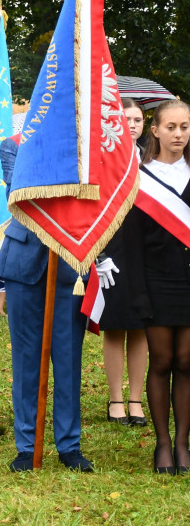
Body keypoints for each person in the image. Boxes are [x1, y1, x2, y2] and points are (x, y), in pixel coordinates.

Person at [0, 135, 93, 472]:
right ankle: (27, 444)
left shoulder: (85, 146)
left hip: (70, 262)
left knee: (67, 360)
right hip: (24, 260)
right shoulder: (13, 145)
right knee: (26, 361)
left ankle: (69, 445)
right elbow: (19, 194)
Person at [125, 99, 190, 473]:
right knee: (162, 361)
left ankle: (183, 444)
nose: (178, 134)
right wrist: (138, 293)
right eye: (171, 127)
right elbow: (132, 244)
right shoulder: (140, 177)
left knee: (186, 362)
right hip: (156, 282)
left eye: (184, 127)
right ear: (155, 130)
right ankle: (162, 444)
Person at [98, 99, 148, 427]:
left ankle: (136, 399)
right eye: (125, 118)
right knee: (115, 325)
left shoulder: (154, 162)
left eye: (138, 119)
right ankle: (116, 398)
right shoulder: (102, 161)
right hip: (112, 251)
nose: (131, 124)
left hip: (146, 252)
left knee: (142, 325)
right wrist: (98, 255)